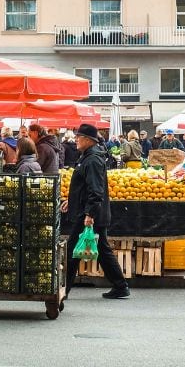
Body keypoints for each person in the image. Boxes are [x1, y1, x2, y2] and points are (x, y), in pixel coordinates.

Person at [62, 123, 130, 299]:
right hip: (89, 211)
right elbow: (85, 187)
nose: (75, 139)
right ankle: (120, 286)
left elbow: (96, 190)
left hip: (90, 214)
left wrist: (89, 215)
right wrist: (72, 200)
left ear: (88, 140)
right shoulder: (87, 157)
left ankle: (63, 290)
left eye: (79, 137)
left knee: (72, 251)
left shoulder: (92, 159)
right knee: (102, 249)